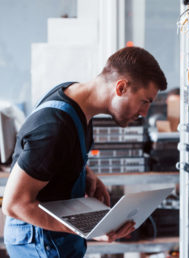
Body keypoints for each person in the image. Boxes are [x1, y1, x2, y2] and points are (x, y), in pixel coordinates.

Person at [2, 46, 167, 257]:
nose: (144, 113)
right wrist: (90, 228)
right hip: (39, 244)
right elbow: (14, 204)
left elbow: (55, 156)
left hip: (56, 242)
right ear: (121, 87)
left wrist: (87, 174)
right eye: (145, 101)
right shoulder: (55, 127)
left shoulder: (76, 102)